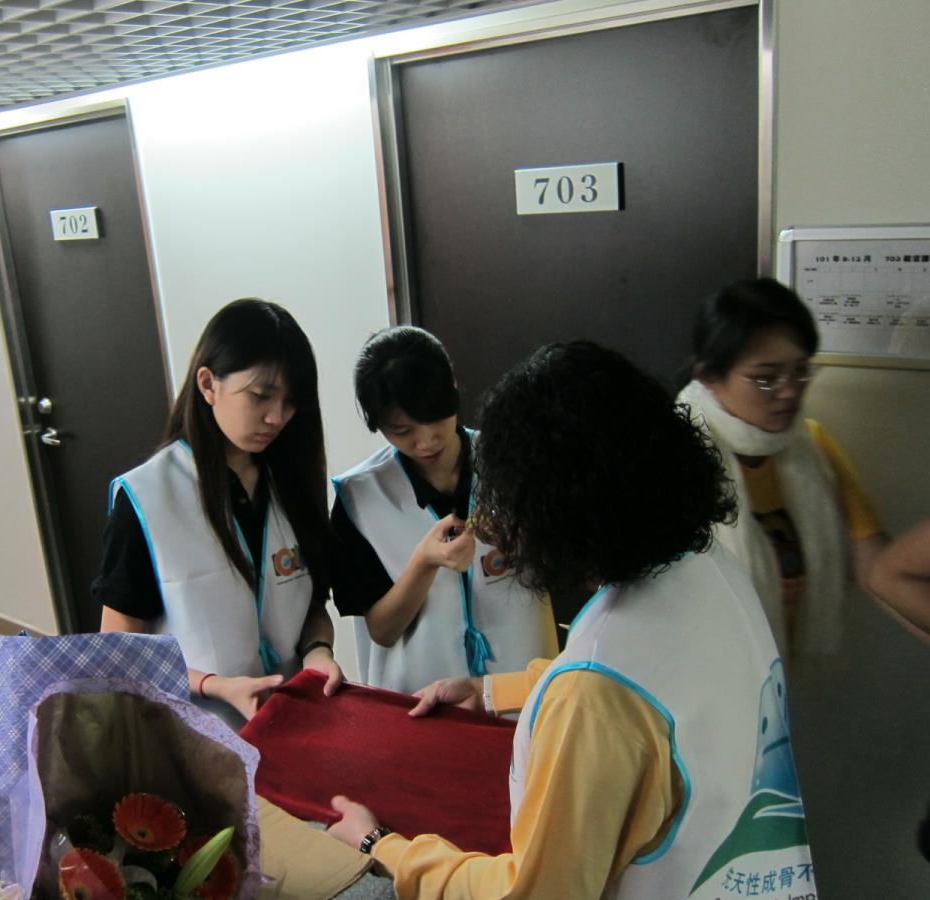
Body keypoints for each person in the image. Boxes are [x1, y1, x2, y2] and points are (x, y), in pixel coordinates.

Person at [328, 341, 818, 898]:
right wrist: (491, 692)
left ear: (551, 507)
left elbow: (532, 891)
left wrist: (383, 846)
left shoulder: (592, 693)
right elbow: (656, 696)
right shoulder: (711, 569)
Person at [94, 298, 342, 725]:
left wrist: (318, 651)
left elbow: (312, 606)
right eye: (261, 396)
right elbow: (120, 654)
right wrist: (215, 685)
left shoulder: (289, 481)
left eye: (291, 401)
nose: (277, 417)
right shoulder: (149, 496)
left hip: (291, 721)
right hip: (198, 733)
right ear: (208, 384)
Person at [330, 326, 556, 694]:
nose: (426, 441)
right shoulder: (359, 497)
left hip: (524, 694)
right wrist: (423, 563)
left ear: (452, 384)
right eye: (402, 431)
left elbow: (571, 566)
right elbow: (382, 632)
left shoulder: (513, 461)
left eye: (434, 417)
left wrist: (527, 543)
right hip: (422, 701)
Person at [677, 277, 887, 658]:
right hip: (699, 669)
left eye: (800, 371)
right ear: (709, 379)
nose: (790, 391)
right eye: (766, 378)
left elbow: (875, 566)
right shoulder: (675, 457)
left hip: (788, 674)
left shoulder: (813, 448)